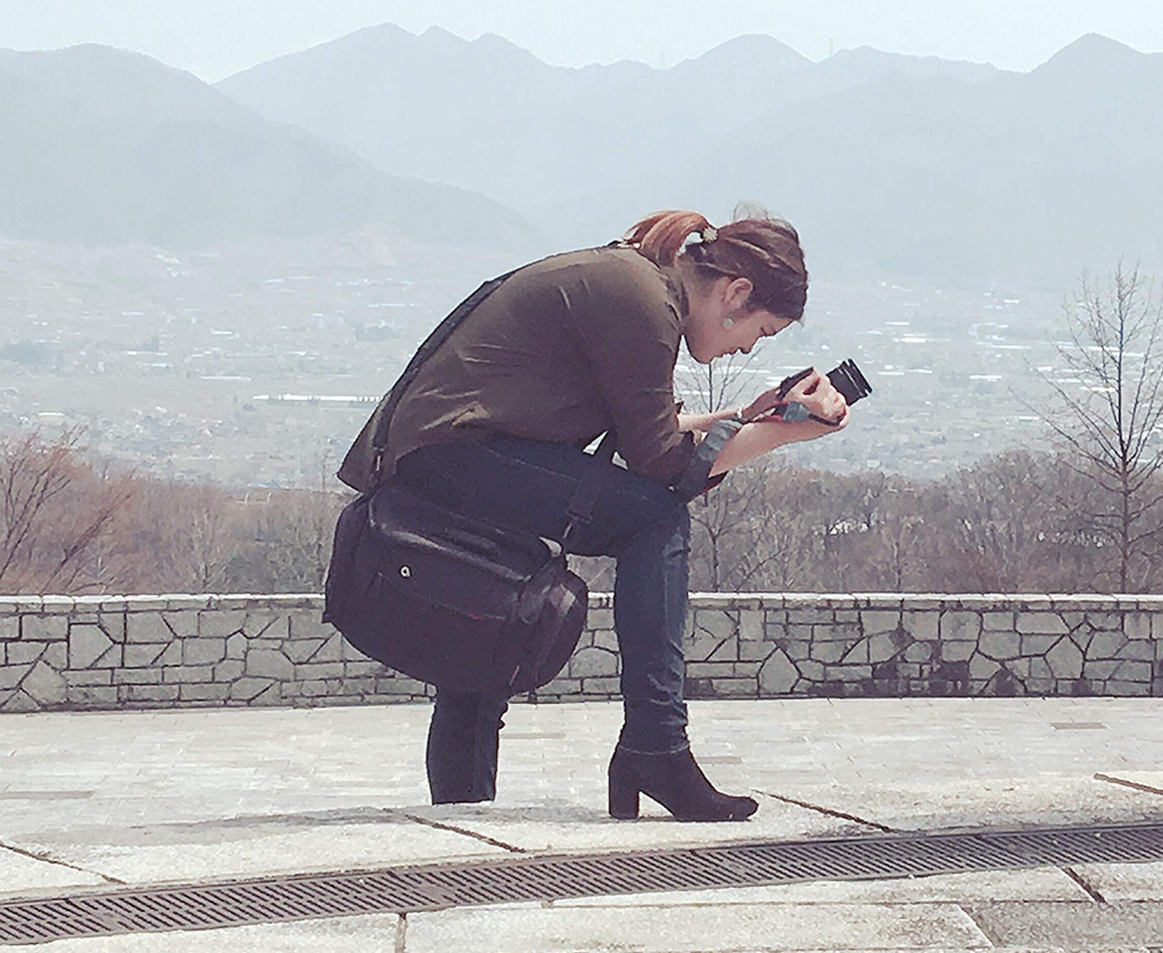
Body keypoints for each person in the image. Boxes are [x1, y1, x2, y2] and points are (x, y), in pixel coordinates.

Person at [337, 209, 850, 820]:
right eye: (760, 332)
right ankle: (655, 745)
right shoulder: (641, 300)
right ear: (736, 294)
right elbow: (660, 467)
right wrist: (785, 438)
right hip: (452, 454)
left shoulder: (638, 283)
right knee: (654, 520)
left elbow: (652, 439)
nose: (745, 346)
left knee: (485, 637)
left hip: (443, 455)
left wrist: (756, 418)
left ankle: (463, 818)